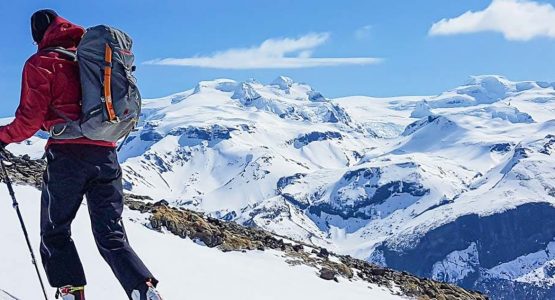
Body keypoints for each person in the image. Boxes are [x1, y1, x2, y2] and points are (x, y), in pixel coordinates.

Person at [0, 9, 163, 300]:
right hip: (107, 155)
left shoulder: (43, 62)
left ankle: (70, 292)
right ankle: (143, 289)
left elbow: (28, 122)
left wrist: (2, 138)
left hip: (68, 157)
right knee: (111, 235)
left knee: (55, 230)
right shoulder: (94, 61)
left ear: (39, 34)